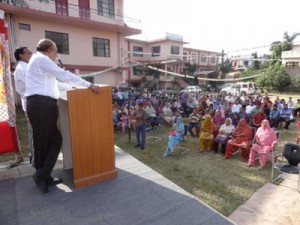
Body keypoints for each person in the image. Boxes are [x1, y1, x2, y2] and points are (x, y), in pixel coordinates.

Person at [25, 39, 101, 193]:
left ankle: (44, 176)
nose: (56, 55)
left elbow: (55, 84)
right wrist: (89, 85)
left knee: (45, 141)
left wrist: (76, 87)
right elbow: (63, 74)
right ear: (49, 50)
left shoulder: (38, 60)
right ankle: (41, 174)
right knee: (52, 140)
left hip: (40, 105)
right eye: (56, 51)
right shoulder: (42, 59)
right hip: (42, 106)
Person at [14, 46, 34, 163]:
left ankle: (33, 155)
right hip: (31, 101)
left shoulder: (20, 68)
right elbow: (33, 84)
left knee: (33, 130)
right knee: (34, 130)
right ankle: (35, 157)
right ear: (21, 56)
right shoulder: (24, 68)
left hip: (28, 102)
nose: (31, 55)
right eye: (28, 53)